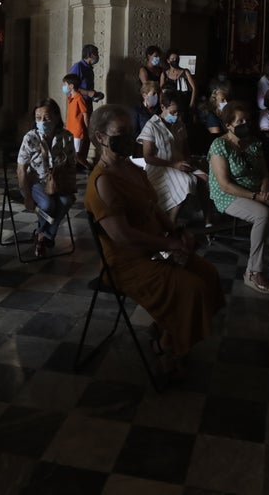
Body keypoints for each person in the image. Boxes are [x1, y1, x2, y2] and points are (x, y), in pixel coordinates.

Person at [84, 104, 225, 376]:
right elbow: (123, 236)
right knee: (190, 288)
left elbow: (154, 207)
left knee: (207, 274)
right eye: (121, 132)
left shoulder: (132, 168)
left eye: (130, 131)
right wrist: (169, 245)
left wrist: (176, 232)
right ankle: (166, 346)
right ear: (101, 137)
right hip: (126, 262)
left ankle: (166, 328)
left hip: (153, 248)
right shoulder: (104, 181)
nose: (129, 137)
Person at [208, 101, 269, 294]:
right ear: (228, 125)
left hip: (257, 192)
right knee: (262, 214)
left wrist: (264, 192)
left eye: (246, 120)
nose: (245, 124)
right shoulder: (220, 145)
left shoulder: (254, 143)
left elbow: (264, 174)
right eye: (240, 121)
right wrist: (256, 197)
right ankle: (253, 272)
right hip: (228, 195)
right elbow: (224, 184)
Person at [17, 99, 78, 258]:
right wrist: (27, 196)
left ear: (56, 118)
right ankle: (45, 237)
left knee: (67, 200)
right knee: (47, 204)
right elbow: (21, 170)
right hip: (34, 182)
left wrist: (70, 186)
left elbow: (71, 165)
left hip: (57, 181)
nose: (42, 122)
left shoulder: (66, 137)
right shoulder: (30, 138)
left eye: (47, 118)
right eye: (38, 118)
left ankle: (42, 234)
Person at [138, 91, 211, 224]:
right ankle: (171, 223)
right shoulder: (151, 126)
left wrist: (188, 161)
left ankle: (208, 221)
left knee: (206, 179)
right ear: (163, 107)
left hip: (180, 164)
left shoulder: (179, 124)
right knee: (187, 181)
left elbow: (185, 148)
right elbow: (148, 157)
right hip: (161, 168)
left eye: (179, 112)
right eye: (173, 112)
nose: (176, 116)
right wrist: (174, 164)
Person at [69, 44, 104, 164]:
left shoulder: (89, 69)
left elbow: (88, 89)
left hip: (88, 103)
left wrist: (95, 95)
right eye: (96, 53)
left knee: (88, 130)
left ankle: (82, 158)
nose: (97, 56)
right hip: (78, 104)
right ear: (89, 54)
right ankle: (76, 158)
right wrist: (87, 92)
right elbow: (70, 86)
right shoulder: (78, 66)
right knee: (79, 130)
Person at [63, 73, 91, 169]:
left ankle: (89, 167)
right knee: (69, 152)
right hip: (69, 130)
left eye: (65, 84)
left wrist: (88, 128)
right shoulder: (71, 97)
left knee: (76, 154)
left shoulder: (79, 98)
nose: (64, 87)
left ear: (71, 86)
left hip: (77, 131)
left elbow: (85, 114)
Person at [131, 80, 162, 146]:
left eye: (158, 93)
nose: (156, 96)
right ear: (144, 95)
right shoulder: (137, 110)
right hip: (143, 145)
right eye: (153, 94)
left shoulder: (160, 109)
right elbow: (134, 133)